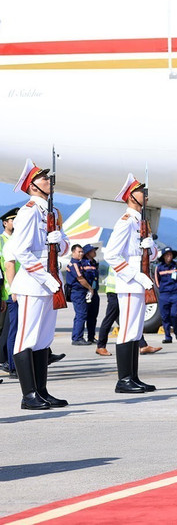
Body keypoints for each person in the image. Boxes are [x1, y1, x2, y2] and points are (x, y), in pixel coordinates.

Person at [9, 159, 71, 410]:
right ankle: (28, 395)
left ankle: (42, 391)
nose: (49, 181)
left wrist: (59, 240)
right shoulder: (28, 212)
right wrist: (47, 278)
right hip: (34, 283)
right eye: (44, 178)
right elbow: (21, 252)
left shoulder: (53, 213)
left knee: (43, 338)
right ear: (33, 186)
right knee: (27, 338)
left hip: (50, 281)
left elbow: (64, 246)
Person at [104, 173, 159, 394]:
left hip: (140, 282)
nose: (145, 195)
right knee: (127, 330)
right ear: (130, 196)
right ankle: (123, 380)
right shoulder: (125, 222)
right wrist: (136, 276)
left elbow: (152, 255)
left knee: (135, 331)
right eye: (141, 192)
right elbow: (112, 255)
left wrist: (150, 245)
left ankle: (133, 377)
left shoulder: (140, 222)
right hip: (130, 283)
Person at [66, 244, 98, 345]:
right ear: (73, 252)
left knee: (91, 315)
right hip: (79, 291)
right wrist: (90, 288)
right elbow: (80, 278)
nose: (81, 253)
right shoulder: (76, 264)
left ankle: (90, 337)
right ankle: (77, 338)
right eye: (79, 252)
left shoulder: (91, 263)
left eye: (82, 252)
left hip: (88, 291)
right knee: (81, 314)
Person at [0, 207, 18, 373]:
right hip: (8, 291)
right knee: (10, 330)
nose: (16, 222)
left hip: (20, 290)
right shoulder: (1, 241)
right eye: (13, 220)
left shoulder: (19, 239)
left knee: (12, 329)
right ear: (5, 223)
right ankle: (9, 363)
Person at [154, 246, 177, 344]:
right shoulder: (159, 268)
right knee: (165, 316)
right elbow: (157, 281)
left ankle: (176, 330)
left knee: (174, 314)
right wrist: (162, 290)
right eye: (167, 255)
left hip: (175, 294)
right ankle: (167, 336)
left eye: (170, 254)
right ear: (163, 256)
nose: (169, 256)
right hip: (164, 295)